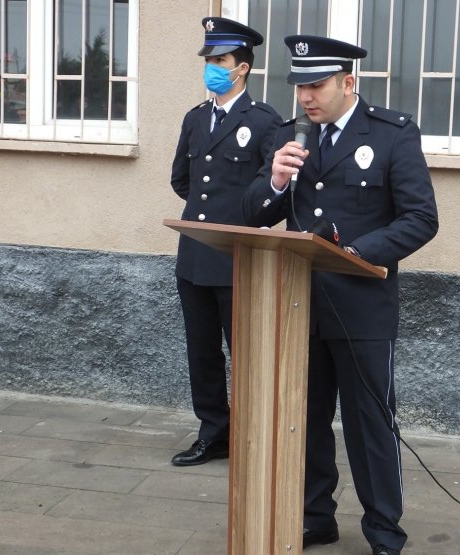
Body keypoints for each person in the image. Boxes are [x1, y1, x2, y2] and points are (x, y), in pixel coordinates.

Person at [242, 35, 439, 555]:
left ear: (347, 82)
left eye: (316, 85)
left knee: (369, 423)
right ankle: (315, 517)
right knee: (304, 419)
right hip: (298, 306)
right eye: (299, 86)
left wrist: (353, 251)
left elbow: (421, 218)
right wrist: (277, 184)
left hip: (362, 308)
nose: (306, 97)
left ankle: (383, 532)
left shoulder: (393, 133)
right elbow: (253, 213)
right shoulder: (291, 137)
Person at [170, 17, 281, 466]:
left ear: (243, 68)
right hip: (194, 254)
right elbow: (183, 180)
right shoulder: (195, 118)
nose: (212, 68)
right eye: (209, 60)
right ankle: (214, 432)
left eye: (220, 60)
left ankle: (254, 436)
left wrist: (233, 218)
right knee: (202, 351)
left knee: (247, 352)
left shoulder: (264, 121)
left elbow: (271, 191)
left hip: (237, 256)